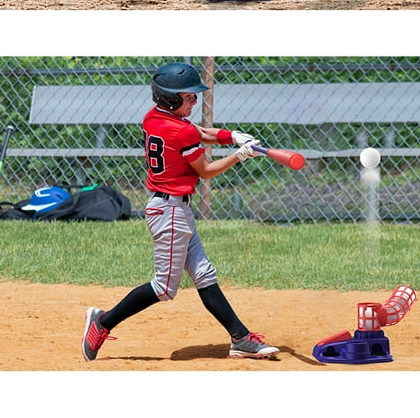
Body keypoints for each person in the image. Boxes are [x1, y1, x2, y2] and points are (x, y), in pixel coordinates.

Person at [81, 61, 280, 362]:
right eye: (189, 97)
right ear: (170, 99)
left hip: (172, 210)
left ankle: (241, 339)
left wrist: (232, 136)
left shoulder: (155, 118)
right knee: (163, 288)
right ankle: (103, 322)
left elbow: (199, 132)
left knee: (203, 274)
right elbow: (207, 171)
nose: (195, 101)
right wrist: (239, 156)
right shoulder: (179, 133)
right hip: (170, 213)